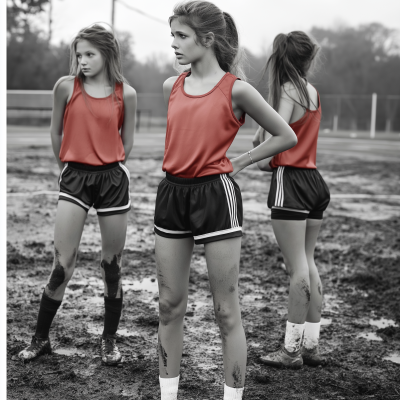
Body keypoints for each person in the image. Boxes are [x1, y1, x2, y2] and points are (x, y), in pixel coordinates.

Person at [154, 2, 298, 399]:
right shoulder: (172, 86)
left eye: (181, 36)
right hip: (171, 195)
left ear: (208, 39)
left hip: (216, 197)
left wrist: (242, 162)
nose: (174, 44)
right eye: (173, 36)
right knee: (169, 305)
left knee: (225, 311)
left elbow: (286, 135)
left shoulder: (237, 89)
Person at [18, 24, 137, 366]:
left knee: (111, 266)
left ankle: (109, 341)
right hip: (75, 179)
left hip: (113, 181)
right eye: (79, 54)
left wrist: (116, 166)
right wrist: (67, 166)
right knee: (62, 266)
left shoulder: (124, 93)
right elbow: (56, 132)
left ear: (107, 54)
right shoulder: (65, 87)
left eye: (90, 54)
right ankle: (40, 339)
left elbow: (126, 141)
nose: (82, 61)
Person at [254, 31, 330, 369]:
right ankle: (310, 345)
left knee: (297, 267)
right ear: (308, 59)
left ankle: (291, 351)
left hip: (292, 182)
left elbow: (279, 137)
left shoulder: (286, 90)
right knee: (308, 262)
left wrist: (254, 158)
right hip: (314, 181)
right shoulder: (310, 91)